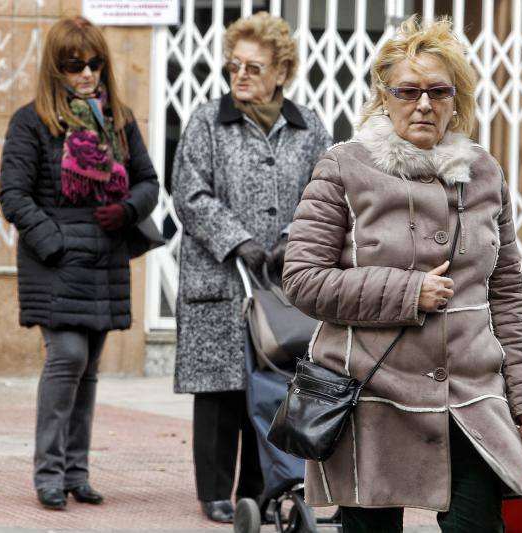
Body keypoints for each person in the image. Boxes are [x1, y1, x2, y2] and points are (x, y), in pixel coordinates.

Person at [282, 16, 522, 533]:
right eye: (408, 90)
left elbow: (508, 295)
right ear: (385, 96)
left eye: (438, 91)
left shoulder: (486, 173)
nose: (423, 104)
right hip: (371, 395)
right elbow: (302, 279)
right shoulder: (343, 167)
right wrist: (407, 291)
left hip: (469, 398)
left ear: (457, 98)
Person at [171, 11, 332, 524]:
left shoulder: (309, 129)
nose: (240, 75)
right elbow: (189, 193)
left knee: (272, 383)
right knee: (219, 390)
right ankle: (215, 491)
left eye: (254, 67)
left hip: (281, 280)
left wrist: (292, 239)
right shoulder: (205, 121)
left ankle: (260, 489)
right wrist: (237, 240)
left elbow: (323, 195)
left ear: (280, 72)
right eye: (234, 65)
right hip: (219, 277)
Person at [0, 16, 159, 511]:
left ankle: (76, 472)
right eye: (74, 65)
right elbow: (13, 195)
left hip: (104, 262)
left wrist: (128, 209)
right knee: (66, 357)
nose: (86, 73)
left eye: (94, 64)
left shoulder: (119, 120)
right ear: (56, 69)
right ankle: (48, 474)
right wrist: (56, 242)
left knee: (88, 369)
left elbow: (148, 182)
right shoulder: (33, 122)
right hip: (57, 262)